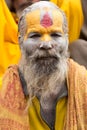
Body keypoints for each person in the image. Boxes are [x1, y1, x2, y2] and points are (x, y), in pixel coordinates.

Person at [0, 1, 87, 130]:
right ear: (20, 42)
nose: (46, 44)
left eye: (55, 35)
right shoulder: (4, 90)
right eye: (35, 35)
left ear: (67, 40)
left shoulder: (83, 85)